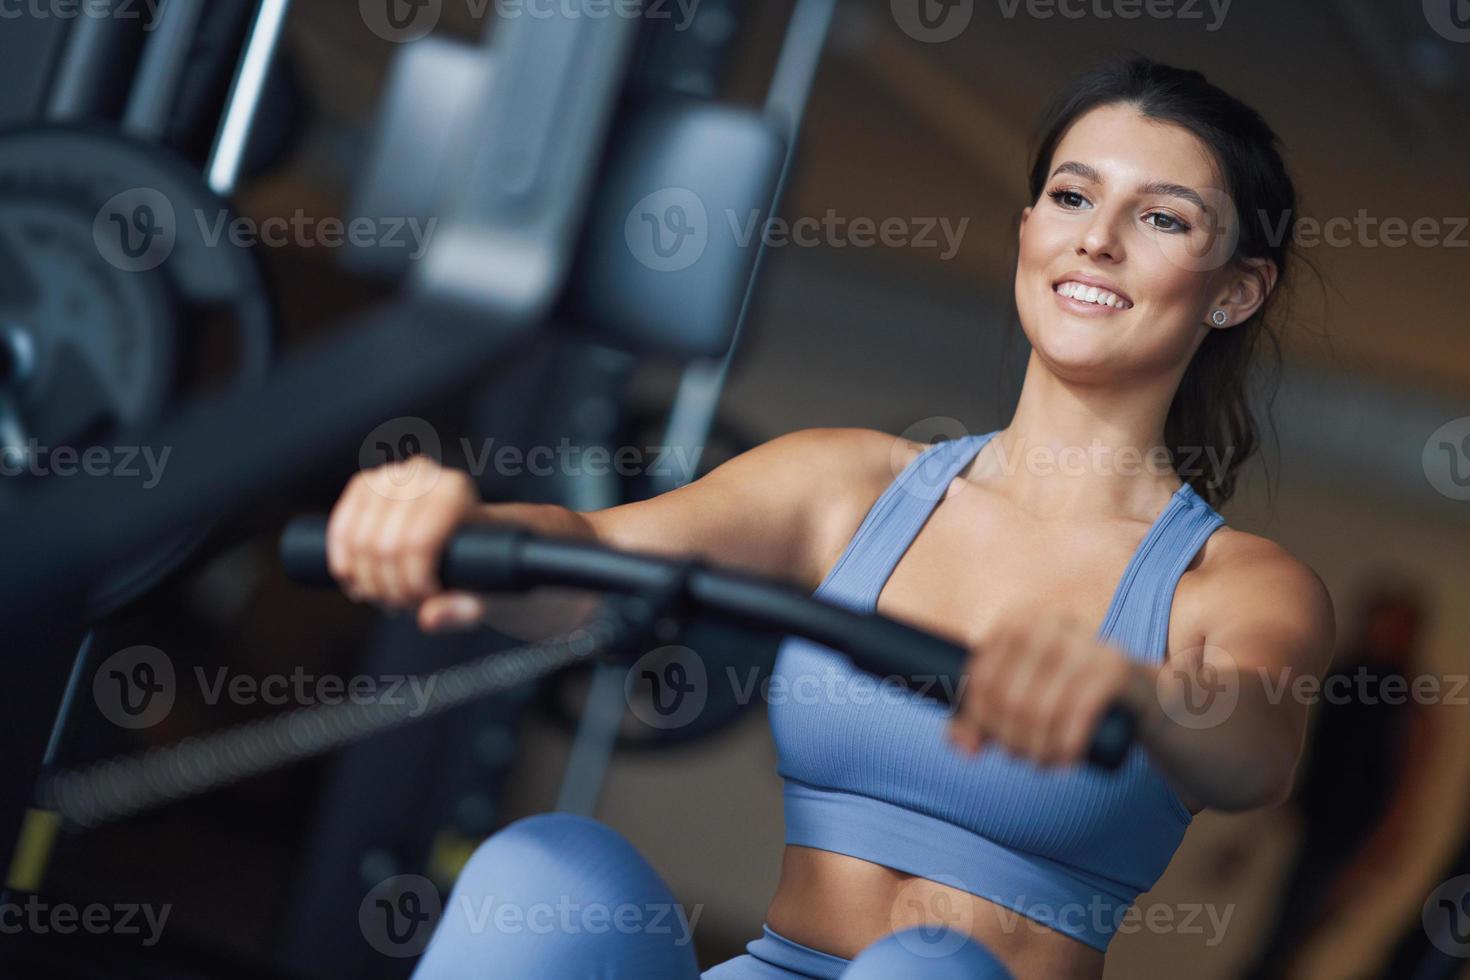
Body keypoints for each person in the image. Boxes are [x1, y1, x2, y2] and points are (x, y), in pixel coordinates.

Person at [324, 55, 1336, 979]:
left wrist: (1137, 692)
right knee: (544, 869)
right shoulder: (851, 483)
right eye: (1072, 196)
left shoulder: (1233, 582)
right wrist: (466, 533)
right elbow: (591, 562)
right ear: (1030, 228)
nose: (1098, 239)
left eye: (1163, 219)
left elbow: (1252, 745)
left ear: (1235, 292)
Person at [1240, 577, 1432, 979]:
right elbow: (1305, 754)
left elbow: (1407, 789)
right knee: (1276, 941)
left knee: (1288, 944)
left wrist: (1371, 858)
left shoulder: (1407, 704)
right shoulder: (1342, 677)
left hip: (1348, 840)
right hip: (1313, 822)